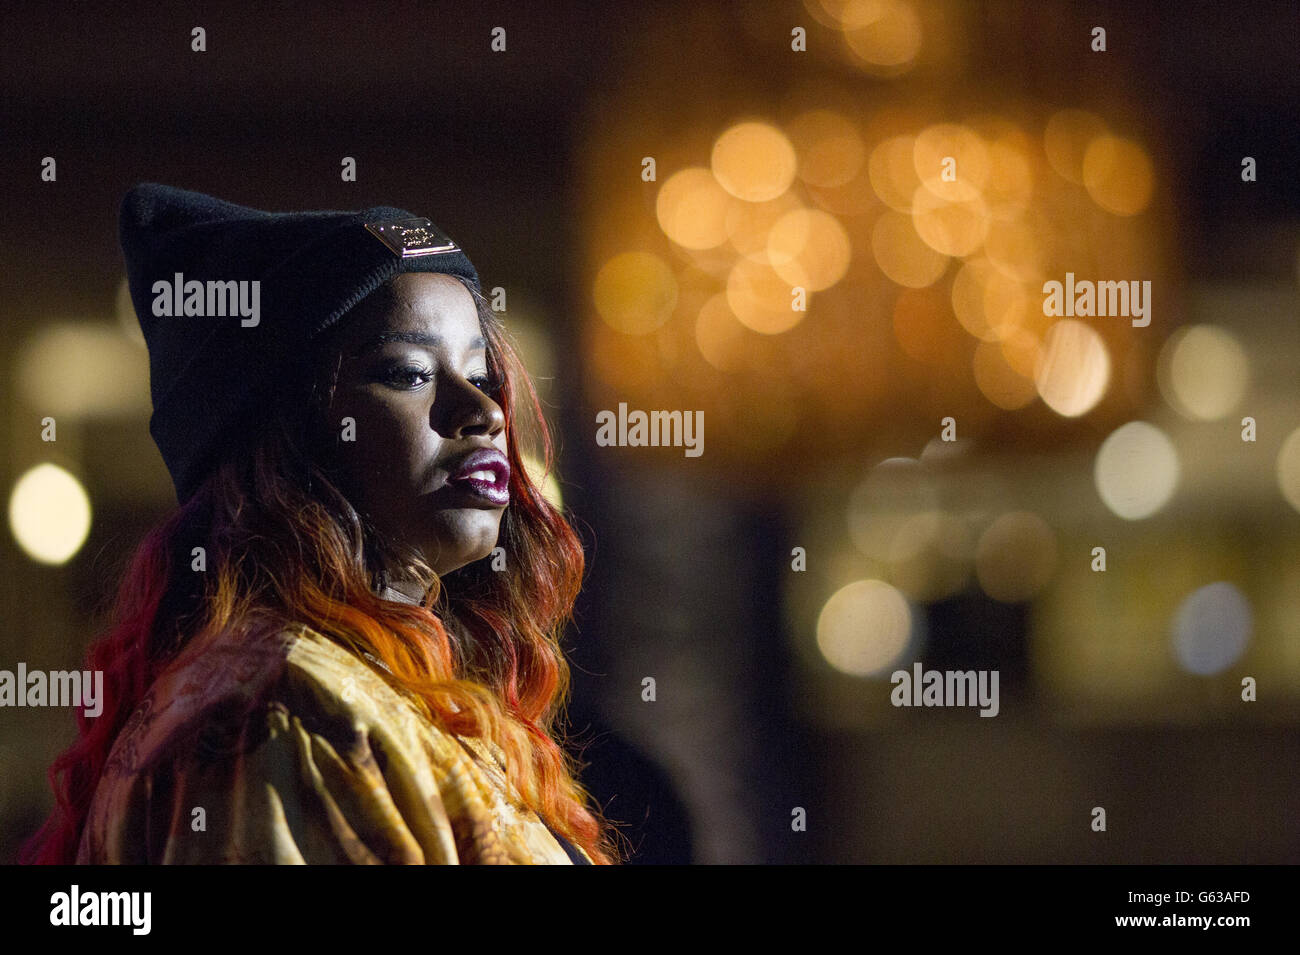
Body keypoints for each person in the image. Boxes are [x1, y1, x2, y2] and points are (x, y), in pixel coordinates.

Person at [20, 183, 620, 864]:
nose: (480, 412)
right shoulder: (289, 711)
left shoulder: (366, 693)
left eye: (483, 376)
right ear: (289, 436)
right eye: (408, 372)